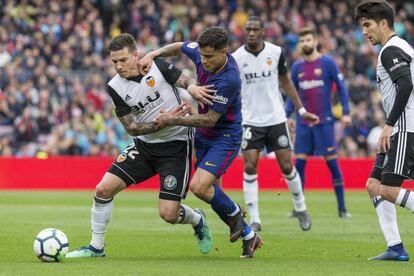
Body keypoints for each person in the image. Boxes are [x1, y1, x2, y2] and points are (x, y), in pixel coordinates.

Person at [66, 33, 216, 258]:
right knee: (103, 189)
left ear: (136, 55)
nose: (118, 66)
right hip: (144, 146)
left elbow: (185, 82)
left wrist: (193, 88)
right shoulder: (114, 86)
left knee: (168, 214)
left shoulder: (157, 66)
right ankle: (96, 247)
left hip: (176, 146)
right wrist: (161, 122)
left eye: (123, 60)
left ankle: (197, 219)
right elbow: (132, 128)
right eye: (114, 61)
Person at [140, 26, 263, 258]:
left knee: (199, 187)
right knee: (211, 191)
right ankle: (248, 236)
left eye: (209, 56)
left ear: (224, 51)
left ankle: (236, 214)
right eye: (202, 55)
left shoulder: (229, 80)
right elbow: (179, 46)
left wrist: (172, 120)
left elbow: (209, 119)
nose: (203, 60)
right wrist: (153, 54)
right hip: (204, 138)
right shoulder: (200, 51)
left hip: (225, 137)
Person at [232, 16, 319, 232]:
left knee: (287, 166)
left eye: (255, 29)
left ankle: (301, 207)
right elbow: (233, 89)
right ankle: (255, 218)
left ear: (263, 31)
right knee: (250, 165)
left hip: (275, 118)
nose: (251, 33)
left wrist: (300, 109)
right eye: (248, 29)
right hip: (251, 120)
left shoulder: (276, 52)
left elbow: (285, 81)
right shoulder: (236, 58)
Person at [355, 0, 414, 261]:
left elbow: (405, 85)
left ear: (383, 23)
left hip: (404, 128)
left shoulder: (390, 50)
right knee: (373, 185)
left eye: (367, 25)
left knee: (388, 190)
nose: (364, 32)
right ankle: (395, 247)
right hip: (398, 127)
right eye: (362, 26)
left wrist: (389, 125)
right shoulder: (396, 48)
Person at [286, 27, 352, 218]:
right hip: (303, 124)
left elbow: (341, 87)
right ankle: (298, 208)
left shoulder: (328, 63)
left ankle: (342, 208)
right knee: (299, 166)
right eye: (302, 41)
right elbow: (292, 95)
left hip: (324, 122)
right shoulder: (297, 67)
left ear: (315, 41)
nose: (305, 43)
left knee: (332, 164)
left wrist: (346, 113)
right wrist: (286, 115)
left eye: (308, 40)